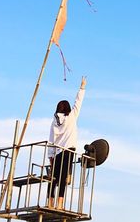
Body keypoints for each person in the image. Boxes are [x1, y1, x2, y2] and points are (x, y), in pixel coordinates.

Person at [48, 76, 87, 209]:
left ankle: (50, 202)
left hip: (57, 151)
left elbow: (51, 140)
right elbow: (78, 102)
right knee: (63, 176)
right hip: (69, 150)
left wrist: (50, 157)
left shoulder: (54, 121)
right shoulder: (71, 116)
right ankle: (60, 203)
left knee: (54, 177)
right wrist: (82, 87)